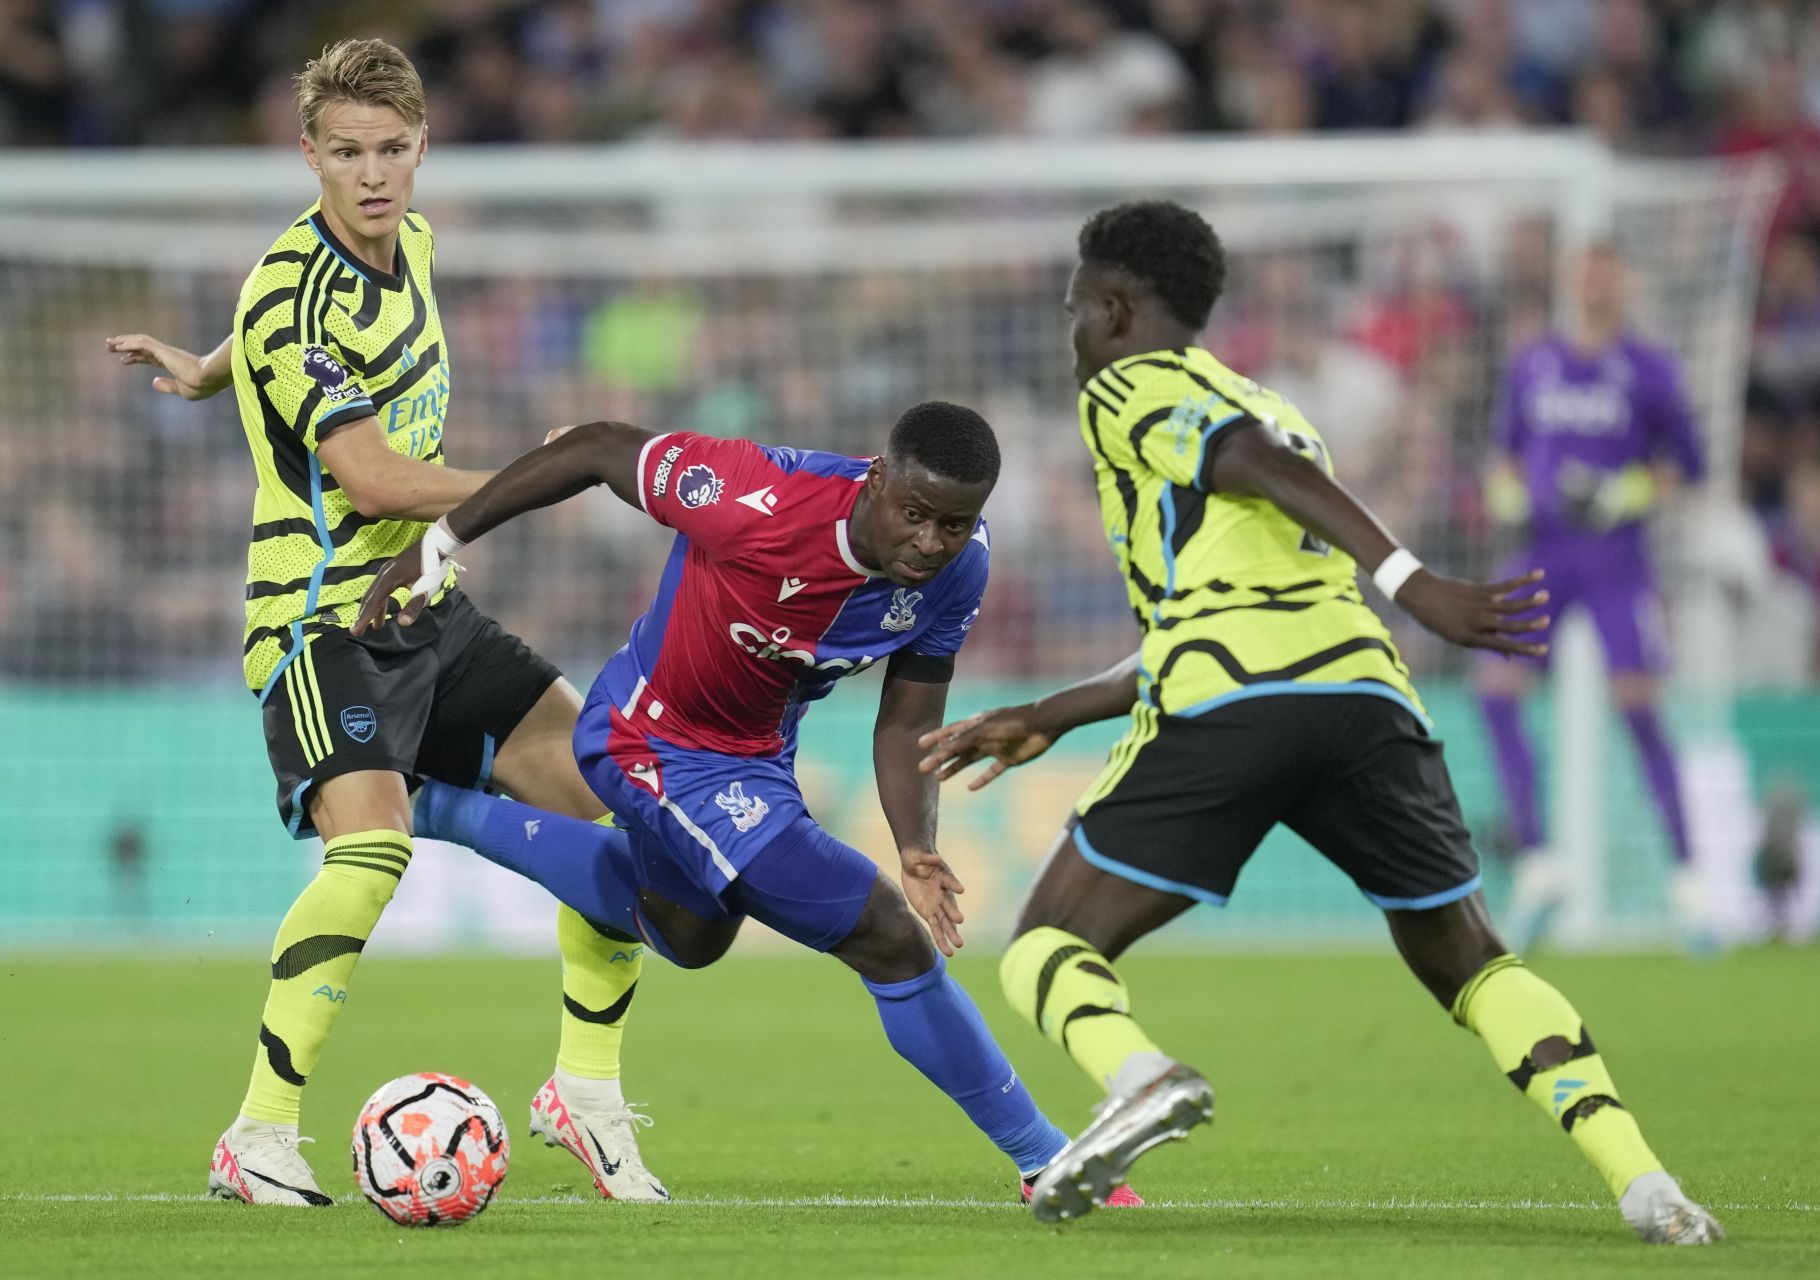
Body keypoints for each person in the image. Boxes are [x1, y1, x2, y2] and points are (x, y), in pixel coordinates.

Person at [915, 201, 1722, 1244]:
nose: (1072, 332)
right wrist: (1058, 712)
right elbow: (1241, 586)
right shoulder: (1276, 402)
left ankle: (1143, 1077)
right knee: (1475, 961)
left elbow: (1246, 465)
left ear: (1116, 307)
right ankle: (1648, 1184)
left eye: (1078, 308)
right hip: (1363, 700)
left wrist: (1413, 577)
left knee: (1046, 946)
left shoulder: (1130, 386)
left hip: (1235, 704)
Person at [105, 39, 662, 1206]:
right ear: (309, 154)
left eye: (393, 151)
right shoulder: (288, 292)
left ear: (421, 149)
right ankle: (256, 1133)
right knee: (371, 851)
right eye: (347, 153)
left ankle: (586, 1093)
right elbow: (369, 477)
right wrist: (549, 470)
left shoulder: (411, 243)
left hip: (427, 607)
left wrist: (208, 374)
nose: (372, 176)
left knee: (621, 813)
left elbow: (276, 357)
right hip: (319, 621)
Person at [350, 404, 1139, 1205]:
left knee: (690, 935)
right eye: (915, 515)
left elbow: (909, 716)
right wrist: (436, 544)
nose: (932, 542)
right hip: (651, 740)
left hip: (758, 758)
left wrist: (914, 844)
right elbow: (593, 448)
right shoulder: (753, 494)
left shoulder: (962, 567)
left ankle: (438, 806)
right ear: (877, 478)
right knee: (887, 938)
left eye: (956, 523)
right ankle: (1049, 1159)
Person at [1476, 243, 1707, 950]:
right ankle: (1540, 865)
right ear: (1571, 280)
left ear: (1624, 281)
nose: (1595, 281)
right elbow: (1504, 454)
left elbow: (1692, 465)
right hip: (1544, 555)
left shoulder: (1648, 369)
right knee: (1496, 691)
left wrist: (1628, 491)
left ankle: (1690, 884)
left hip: (1616, 561)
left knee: (1637, 706)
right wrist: (1508, 493)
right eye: (1585, 269)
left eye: (1608, 269)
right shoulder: (1534, 362)